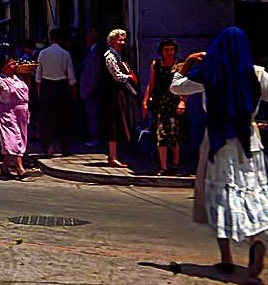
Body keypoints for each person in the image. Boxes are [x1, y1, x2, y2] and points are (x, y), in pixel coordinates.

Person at [170, 27, 268, 282]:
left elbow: (176, 88)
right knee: (252, 192)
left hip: (217, 142)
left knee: (221, 197)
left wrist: (189, 60)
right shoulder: (257, 73)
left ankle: (226, 258)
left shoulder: (208, 73)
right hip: (249, 142)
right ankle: (256, 240)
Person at [142, 38, 187, 175]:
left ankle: (175, 163)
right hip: (160, 103)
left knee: (175, 135)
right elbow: (151, 84)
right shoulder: (156, 65)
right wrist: (145, 101)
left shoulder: (180, 65)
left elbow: (185, 86)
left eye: (171, 50)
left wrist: (182, 101)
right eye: (166, 50)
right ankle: (163, 166)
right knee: (161, 134)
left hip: (175, 103)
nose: (168, 53)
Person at [36, 29, 77, 157]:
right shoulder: (65, 54)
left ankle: (49, 147)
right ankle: (65, 148)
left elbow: (38, 76)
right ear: (61, 39)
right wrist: (74, 94)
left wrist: (39, 93)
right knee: (63, 118)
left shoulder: (42, 53)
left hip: (47, 87)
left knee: (47, 120)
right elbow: (71, 77)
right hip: (62, 87)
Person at [101, 29, 138, 167]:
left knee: (117, 122)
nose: (122, 42)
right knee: (113, 123)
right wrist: (129, 76)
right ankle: (112, 156)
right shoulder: (110, 56)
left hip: (116, 93)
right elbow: (116, 76)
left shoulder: (118, 55)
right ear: (112, 41)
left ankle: (114, 155)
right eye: (119, 40)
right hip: (112, 93)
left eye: (123, 39)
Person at [79, 29, 102, 147]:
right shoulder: (91, 51)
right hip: (88, 89)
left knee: (94, 114)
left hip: (91, 89)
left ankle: (95, 137)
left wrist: (91, 89)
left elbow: (95, 72)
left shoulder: (96, 52)